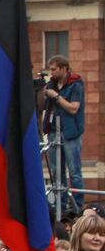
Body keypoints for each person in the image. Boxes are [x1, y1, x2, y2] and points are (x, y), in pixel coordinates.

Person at [44, 54, 86, 213]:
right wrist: (43, 94)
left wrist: (56, 96)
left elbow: (73, 108)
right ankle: (60, 204)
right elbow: (43, 107)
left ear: (63, 68)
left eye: (54, 69)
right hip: (54, 131)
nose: (51, 72)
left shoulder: (76, 84)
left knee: (74, 170)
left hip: (70, 133)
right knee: (56, 171)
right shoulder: (51, 85)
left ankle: (77, 206)